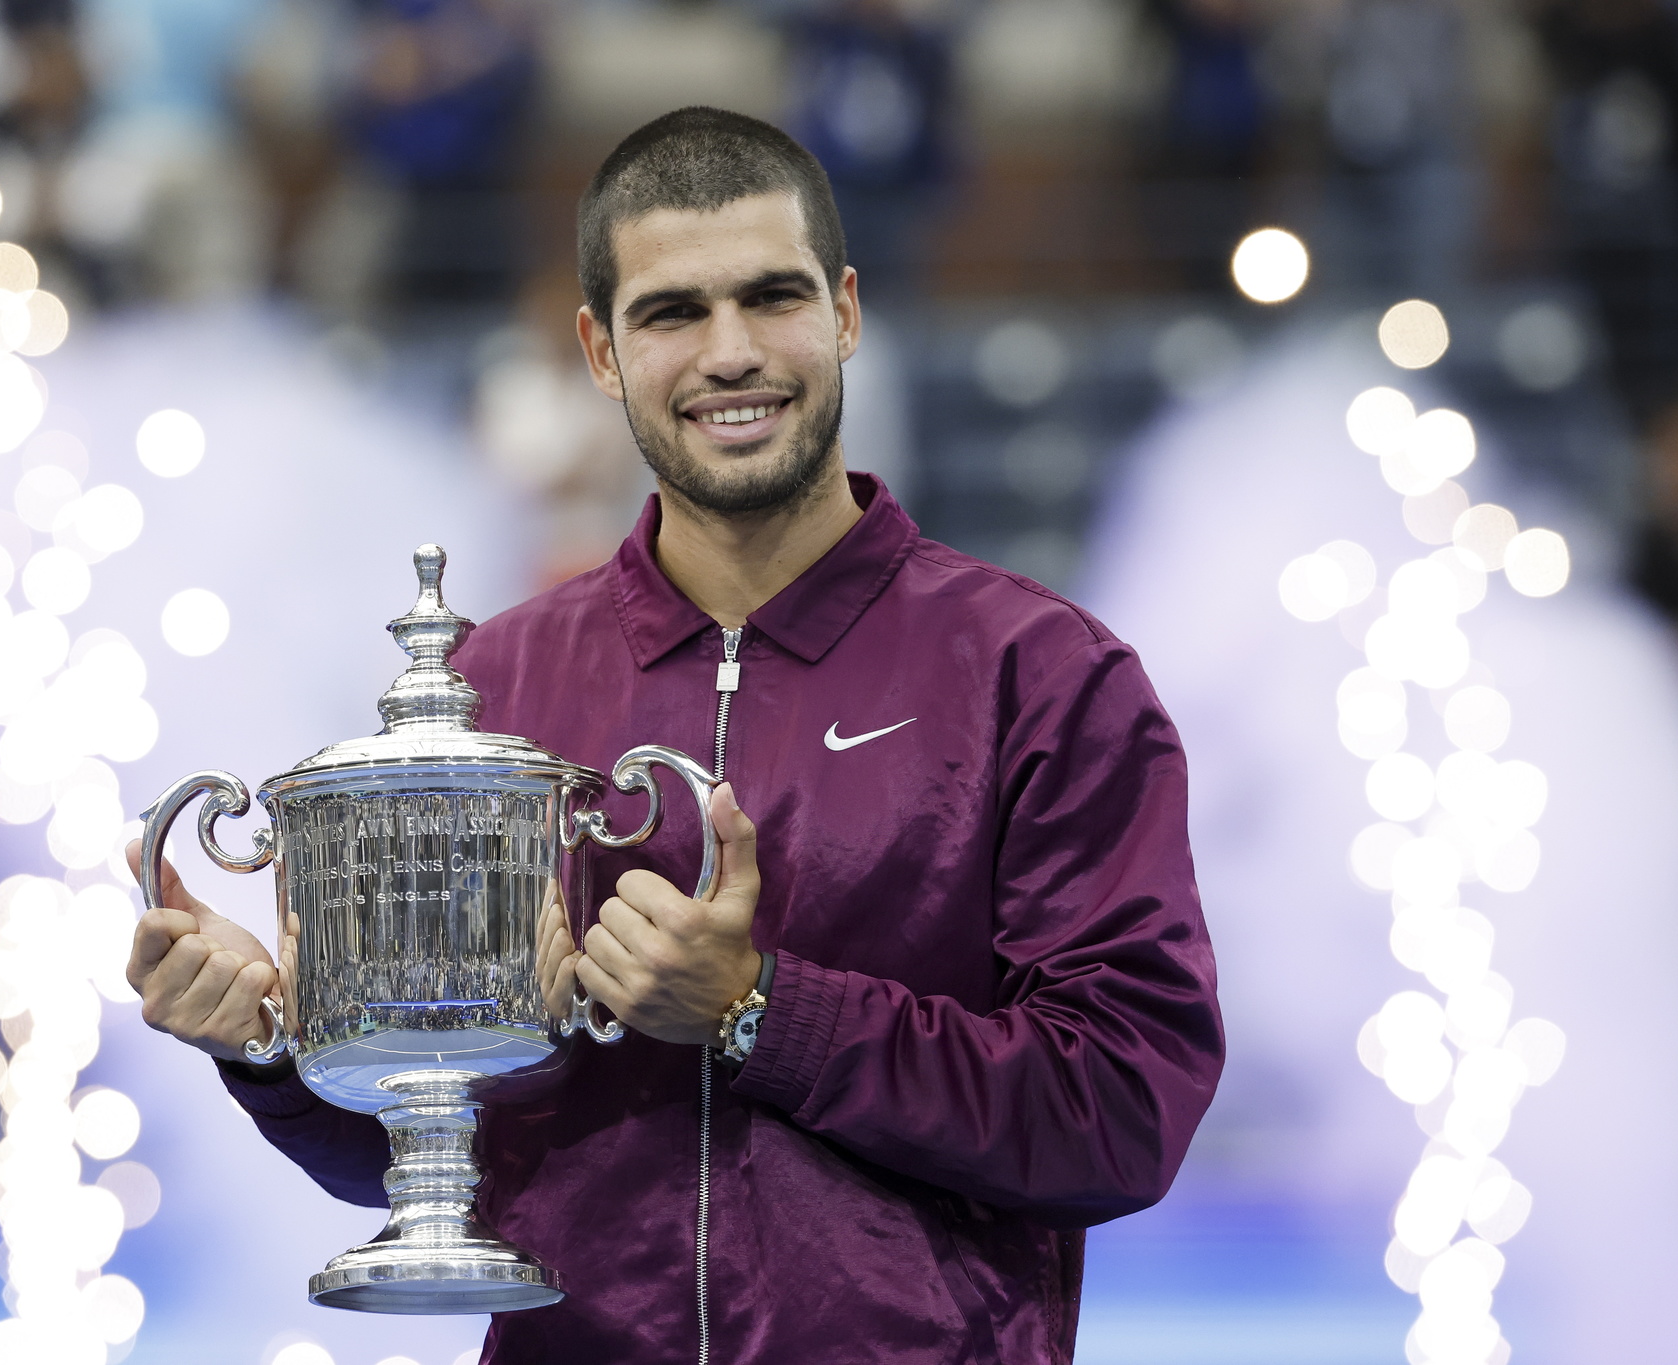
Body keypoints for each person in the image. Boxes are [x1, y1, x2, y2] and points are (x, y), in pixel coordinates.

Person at [126, 106, 1223, 1364]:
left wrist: (758, 1006)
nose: (731, 353)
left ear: (847, 312)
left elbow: (1122, 1114)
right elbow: (425, 1161)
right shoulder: (495, 688)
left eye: (773, 298)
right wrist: (266, 1041)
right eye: (671, 314)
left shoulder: (1041, 676)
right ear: (598, 350)